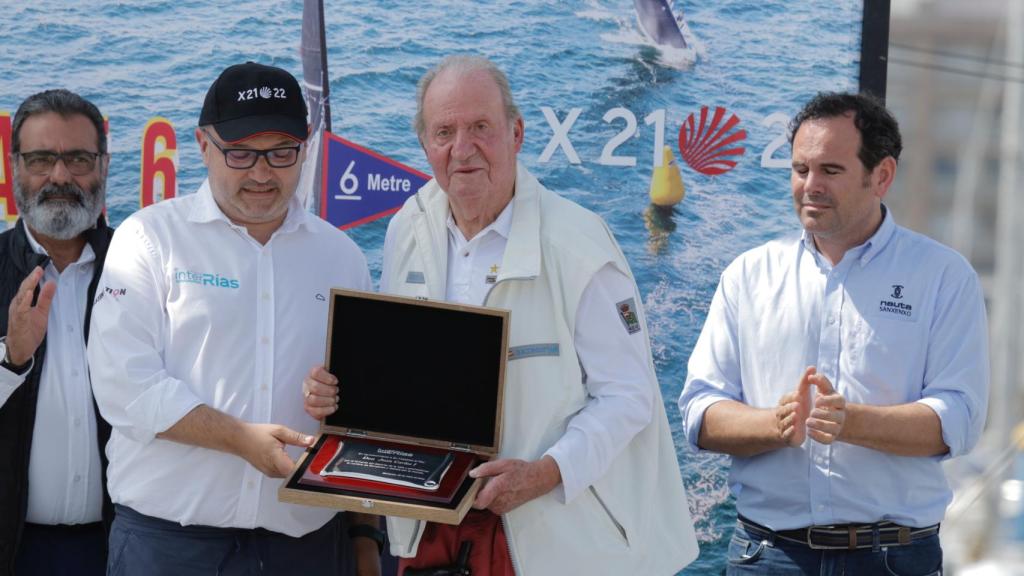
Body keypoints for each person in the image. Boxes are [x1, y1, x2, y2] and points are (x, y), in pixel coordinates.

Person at [304, 54, 698, 575]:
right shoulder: (407, 228)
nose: (462, 149)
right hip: (430, 525)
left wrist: (545, 472)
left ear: (516, 133)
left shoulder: (579, 245)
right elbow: (402, 368)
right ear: (425, 145)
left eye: (480, 128)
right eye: (444, 131)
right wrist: (339, 395)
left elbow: (628, 396)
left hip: (549, 536)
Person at [87, 62, 380, 576]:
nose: (262, 173)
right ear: (204, 145)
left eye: (281, 153)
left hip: (307, 547)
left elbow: (364, 407)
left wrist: (337, 402)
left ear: (305, 149)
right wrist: (240, 440)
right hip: (167, 548)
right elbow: (122, 387)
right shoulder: (148, 239)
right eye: (240, 153)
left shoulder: (344, 258)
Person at [679, 92, 989, 574]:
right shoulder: (748, 274)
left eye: (830, 170)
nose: (810, 186)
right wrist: (776, 425)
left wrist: (851, 422)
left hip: (891, 559)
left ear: (881, 176)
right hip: (766, 557)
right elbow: (699, 411)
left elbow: (960, 418)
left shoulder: (943, 276)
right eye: (800, 169)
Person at [0, 89, 113, 576]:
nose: (61, 177)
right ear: (14, 167)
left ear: (104, 166)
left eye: (78, 159)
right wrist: (12, 358)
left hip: (126, 547)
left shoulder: (147, 270)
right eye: (42, 159)